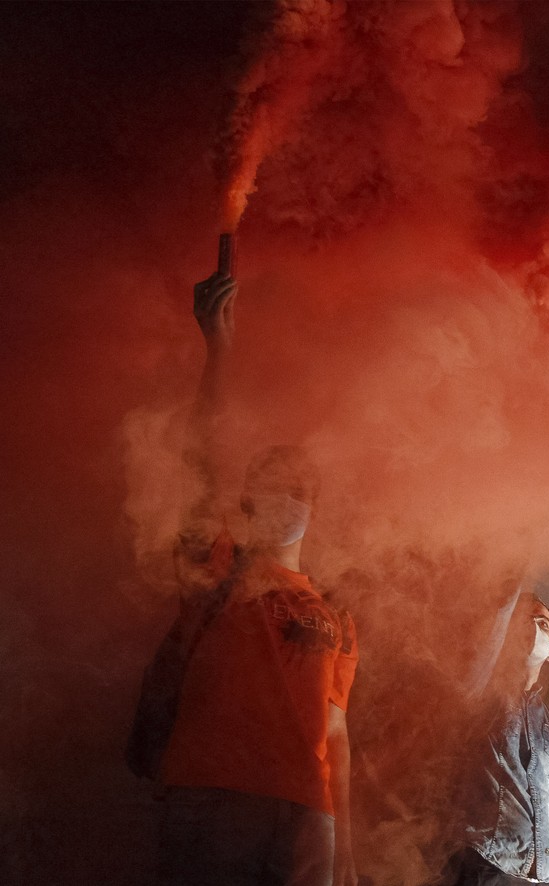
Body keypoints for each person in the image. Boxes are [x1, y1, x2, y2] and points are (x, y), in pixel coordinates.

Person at [156, 271, 359, 886]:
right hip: (211, 793)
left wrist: (345, 853)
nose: (285, 497)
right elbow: (198, 463)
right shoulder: (219, 570)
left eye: (298, 489)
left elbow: (337, 735)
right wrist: (217, 350)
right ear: (246, 500)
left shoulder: (336, 617)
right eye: (270, 486)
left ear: (315, 508)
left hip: (306, 812)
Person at [442, 592, 549, 886]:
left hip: (544, 874)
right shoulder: (482, 695)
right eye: (524, 621)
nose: (533, 628)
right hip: (486, 863)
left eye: (543, 623)